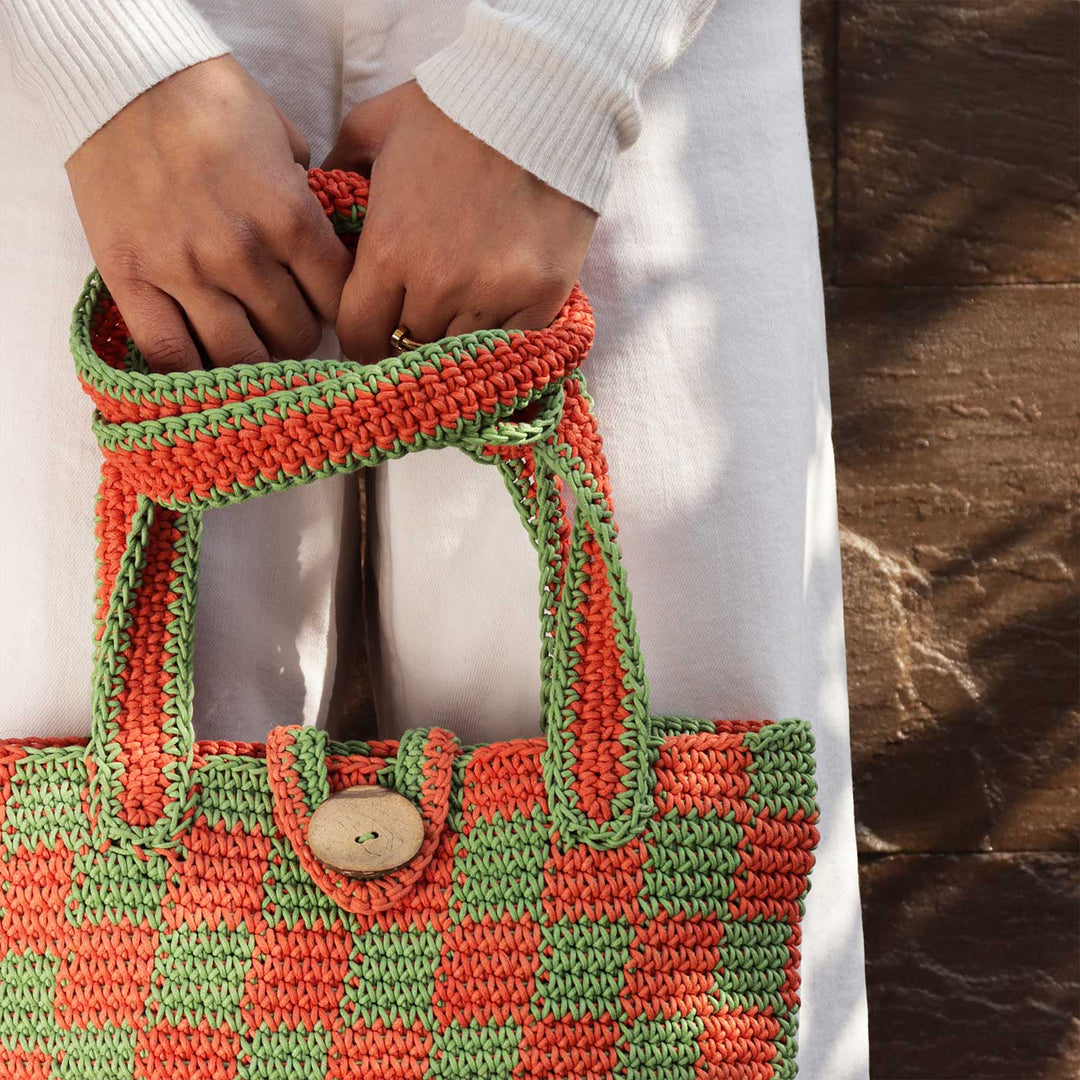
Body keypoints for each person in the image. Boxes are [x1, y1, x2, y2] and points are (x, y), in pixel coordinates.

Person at [0, 0, 870, 1075]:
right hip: (74, 81)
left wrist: (565, 66)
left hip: (627, 49)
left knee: (677, 806)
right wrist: (103, 52)